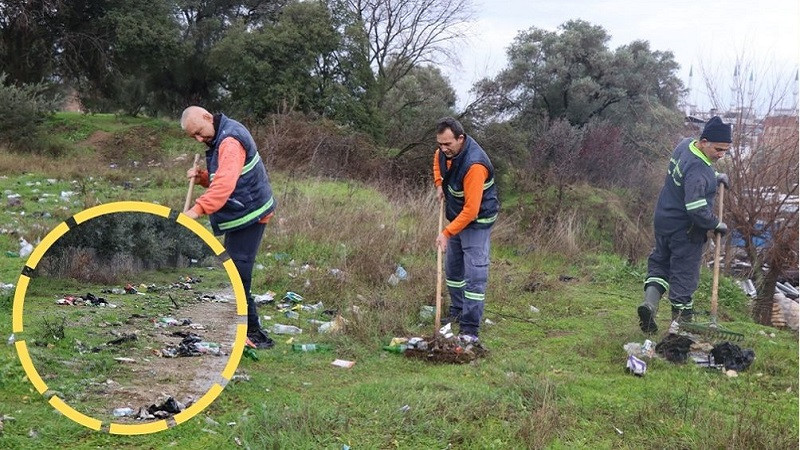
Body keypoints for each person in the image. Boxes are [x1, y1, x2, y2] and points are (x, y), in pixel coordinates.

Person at [180, 106, 277, 348]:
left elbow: (224, 185)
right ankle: (248, 328)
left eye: (199, 133)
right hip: (242, 211)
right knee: (235, 272)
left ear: (206, 117)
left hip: (250, 214)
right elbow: (223, 176)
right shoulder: (220, 136)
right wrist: (203, 177)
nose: (200, 139)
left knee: (237, 273)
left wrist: (196, 210)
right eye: (194, 137)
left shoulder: (230, 141)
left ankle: (254, 333)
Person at [638, 116, 731, 333]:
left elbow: (689, 174)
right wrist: (716, 224)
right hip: (686, 230)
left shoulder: (685, 145)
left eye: (725, 150)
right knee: (684, 276)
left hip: (663, 219)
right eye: (718, 149)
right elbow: (697, 209)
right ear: (705, 141)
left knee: (660, 263)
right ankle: (681, 325)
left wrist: (715, 176)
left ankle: (649, 305)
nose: (721, 154)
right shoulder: (700, 170)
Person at [433, 117, 499, 343]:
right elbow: (437, 163)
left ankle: (470, 328)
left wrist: (446, 232)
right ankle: (458, 310)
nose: (443, 149)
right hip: (456, 218)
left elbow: (471, 211)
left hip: (477, 221)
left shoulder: (474, 166)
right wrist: (439, 185)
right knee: (452, 270)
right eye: (440, 144)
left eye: (447, 144)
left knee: (474, 276)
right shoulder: (445, 152)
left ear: (460, 139)